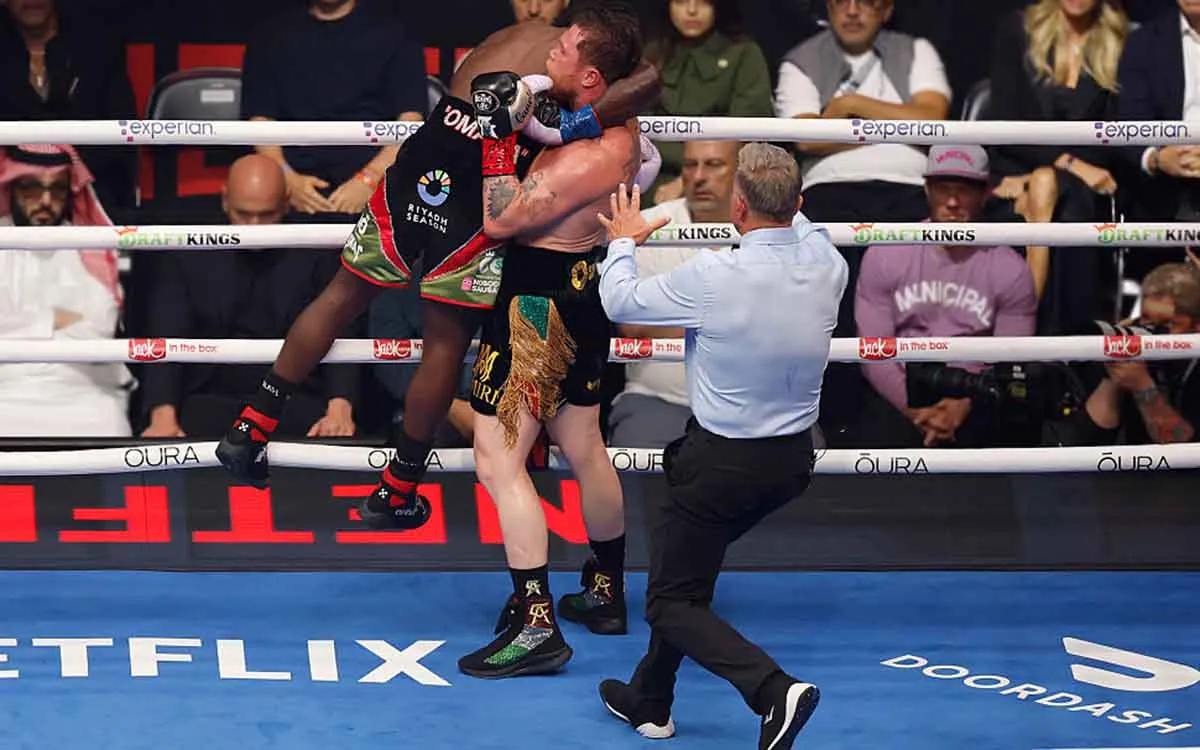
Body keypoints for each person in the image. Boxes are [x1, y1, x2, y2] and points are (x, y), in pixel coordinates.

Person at [215, 3, 662, 534]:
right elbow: (648, 82)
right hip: (475, 192)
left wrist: (565, 115)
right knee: (444, 347)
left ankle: (249, 429)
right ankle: (397, 489)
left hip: (423, 160)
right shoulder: (571, 66)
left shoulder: (512, 36)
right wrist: (581, 118)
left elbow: (474, 78)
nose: (557, 46)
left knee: (339, 297)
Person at [594, 143, 843, 750]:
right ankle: (650, 699)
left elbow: (619, 300)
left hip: (720, 462)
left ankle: (772, 689)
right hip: (792, 461)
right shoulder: (828, 263)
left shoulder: (713, 275)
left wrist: (624, 238)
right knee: (689, 569)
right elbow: (798, 223)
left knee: (670, 601)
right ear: (800, 203)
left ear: (737, 208)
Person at [456, 3, 646, 679]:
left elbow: (502, 217)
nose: (548, 56)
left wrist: (497, 138)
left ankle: (536, 624)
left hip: (537, 307)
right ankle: (607, 591)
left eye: (562, 51)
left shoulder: (590, 154)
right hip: (579, 288)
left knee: (498, 461)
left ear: (592, 76)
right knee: (583, 443)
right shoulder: (606, 124)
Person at [140, 154, 362, 439]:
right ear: (224, 201)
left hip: (294, 398)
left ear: (285, 203)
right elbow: (166, 332)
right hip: (211, 398)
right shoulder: (189, 249)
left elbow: (340, 326)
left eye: (266, 215)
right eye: (243, 214)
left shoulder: (316, 248)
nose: (255, 227)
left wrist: (339, 408)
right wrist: (162, 417)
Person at [0, 144, 130, 436]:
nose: (45, 201)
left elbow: (98, 327)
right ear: (12, 187)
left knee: (109, 423)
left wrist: (20, 321)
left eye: (57, 189)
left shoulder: (88, 246)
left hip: (81, 387)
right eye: (32, 188)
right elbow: (79, 322)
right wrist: (56, 320)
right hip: (6, 387)